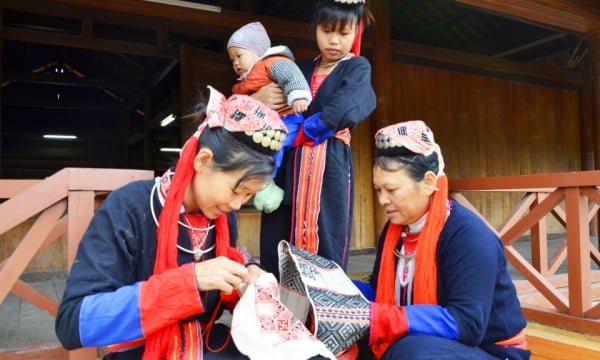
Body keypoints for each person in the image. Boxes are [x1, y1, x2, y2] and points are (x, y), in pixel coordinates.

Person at [54, 86, 289, 359]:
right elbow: (71, 323)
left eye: (248, 195)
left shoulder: (223, 218)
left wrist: (248, 275)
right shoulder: (128, 208)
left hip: (203, 343)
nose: (237, 205)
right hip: (139, 351)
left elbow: (227, 283)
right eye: (237, 190)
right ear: (203, 161)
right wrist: (186, 282)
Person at [352, 120, 531, 359]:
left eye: (391, 190)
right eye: (378, 190)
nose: (383, 200)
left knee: (410, 351)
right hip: (429, 341)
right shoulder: (395, 229)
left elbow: (467, 324)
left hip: (490, 351)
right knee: (344, 334)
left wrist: (383, 318)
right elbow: (380, 292)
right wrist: (336, 289)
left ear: (427, 183)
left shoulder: (468, 236)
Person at [256, 0, 377, 278]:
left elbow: (347, 106)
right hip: (287, 167)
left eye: (344, 34)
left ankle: (321, 316)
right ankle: (278, 311)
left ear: (356, 32)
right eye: (326, 31)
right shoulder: (297, 68)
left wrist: (301, 132)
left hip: (329, 167)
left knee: (327, 238)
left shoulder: (357, 67)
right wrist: (258, 98)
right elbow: (261, 108)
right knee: (277, 237)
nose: (334, 40)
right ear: (315, 30)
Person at [226, 21, 312, 213]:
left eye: (239, 56)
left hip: (286, 120)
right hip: (263, 124)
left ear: (258, 52)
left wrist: (297, 94)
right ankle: (257, 182)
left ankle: (266, 182)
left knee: (274, 145)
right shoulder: (243, 82)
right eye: (232, 60)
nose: (236, 63)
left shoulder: (271, 63)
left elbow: (291, 75)